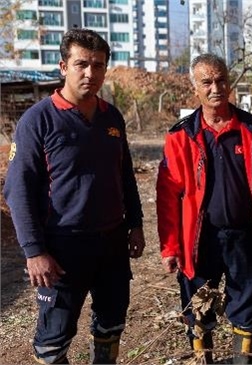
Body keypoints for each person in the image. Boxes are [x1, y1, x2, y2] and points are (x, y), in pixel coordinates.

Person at [2, 28, 145, 364]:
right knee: (53, 340)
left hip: (111, 243)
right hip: (62, 247)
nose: (90, 73)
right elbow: (18, 190)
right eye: (81, 64)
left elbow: (124, 175)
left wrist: (135, 223)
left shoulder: (112, 117)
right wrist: (34, 251)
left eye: (98, 65)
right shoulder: (37, 120)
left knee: (111, 324)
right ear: (63, 66)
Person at [156, 53, 252, 364]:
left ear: (229, 82)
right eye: (206, 82)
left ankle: (241, 361)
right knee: (198, 306)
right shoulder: (181, 135)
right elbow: (168, 196)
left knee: (247, 305)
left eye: (221, 80)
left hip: (245, 237)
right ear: (194, 87)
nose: (215, 88)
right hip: (200, 239)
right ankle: (202, 359)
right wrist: (170, 247)